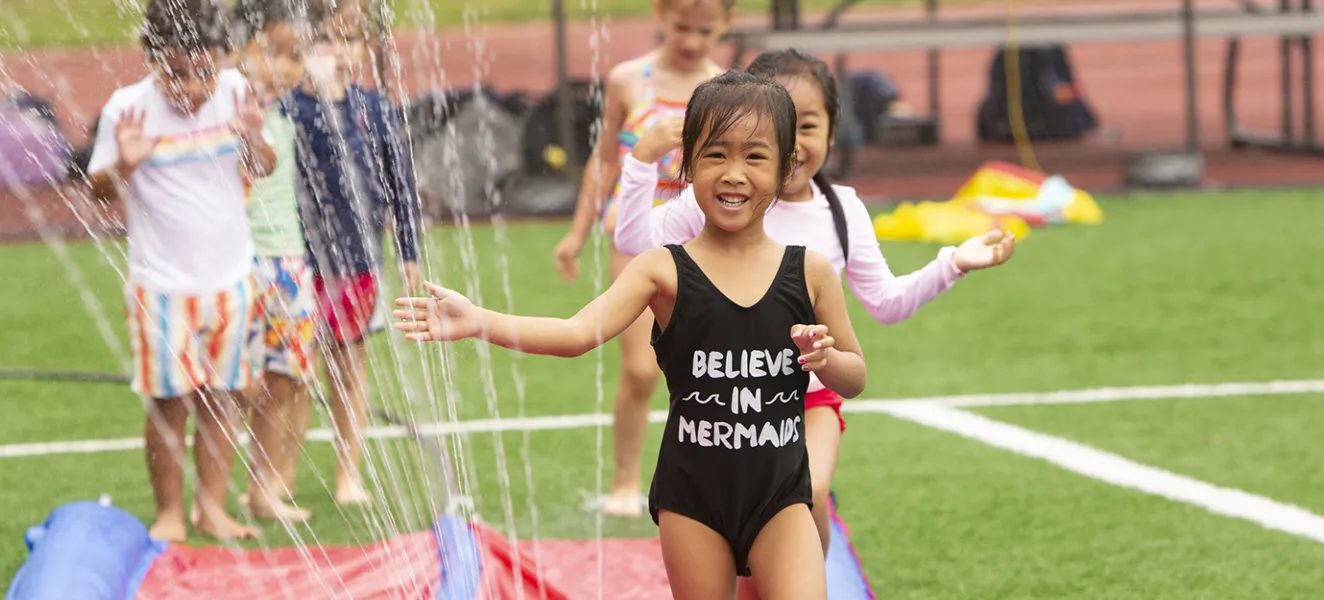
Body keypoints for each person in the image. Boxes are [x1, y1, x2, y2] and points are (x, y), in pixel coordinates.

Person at [397, 71, 863, 600]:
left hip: (781, 497)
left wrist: (825, 359)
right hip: (694, 501)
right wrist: (478, 320)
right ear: (686, 166)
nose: (733, 173)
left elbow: (855, 377)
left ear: (784, 169)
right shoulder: (661, 269)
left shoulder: (811, 272)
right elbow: (575, 332)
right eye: (715, 155)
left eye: (755, 157)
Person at [613, 48, 1017, 556]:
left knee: (810, 494)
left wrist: (953, 262)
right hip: (735, 403)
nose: (798, 144)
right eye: (783, 126)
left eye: (809, 125)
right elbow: (635, 242)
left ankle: (810, 578)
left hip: (810, 397)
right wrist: (641, 162)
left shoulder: (841, 210)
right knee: (734, 524)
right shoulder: (715, 200)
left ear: (832, 130)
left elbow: (886, 303)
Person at [87, 0, 276, 542]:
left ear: (220, 59)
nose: (193, 88)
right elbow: (97, 192)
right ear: (150, 60)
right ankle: (169, 511)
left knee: (222, 399)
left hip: (232, 281)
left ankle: (210, 508)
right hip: (163, 288)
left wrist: (255, 139)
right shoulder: (128, 109)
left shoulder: (236, 92)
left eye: (203, 72)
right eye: (176, 74)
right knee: (168, 405)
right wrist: (124, 164)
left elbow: (262, 167)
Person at [551, 0, 736, 517]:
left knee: (714, 368)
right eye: (681, 26)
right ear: (660, 13)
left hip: (702, 239)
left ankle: (713, 476)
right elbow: (605, 159)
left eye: (705, 29)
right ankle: (627, 480)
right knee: (640, 370)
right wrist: (576, 232)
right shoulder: (628, 80)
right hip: (634, 239)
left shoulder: (728, 89)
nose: (692, 40)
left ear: (728, 23)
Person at [288, 0, 423, 506]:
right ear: (304, 50)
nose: (338, 52)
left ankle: (349, 472)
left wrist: (408, 250)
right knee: (294, 373)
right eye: (326, 40)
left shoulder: (376, 108)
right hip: (298, 262)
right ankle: (280, 479)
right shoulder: (291, 110)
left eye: (349, 40)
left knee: (349, 366)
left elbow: (400, 183)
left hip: (358, 264)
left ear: (364, 48)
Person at [231, 0, 315, 523]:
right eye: (272, 52)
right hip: (239, 260)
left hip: (290, 262)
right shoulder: (229, 106)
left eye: (296, 55)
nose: (286, 67)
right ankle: (214, 492)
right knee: (237, 383)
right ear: (241, 47)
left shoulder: (288, 113)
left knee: (284, 381)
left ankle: (263, 491)